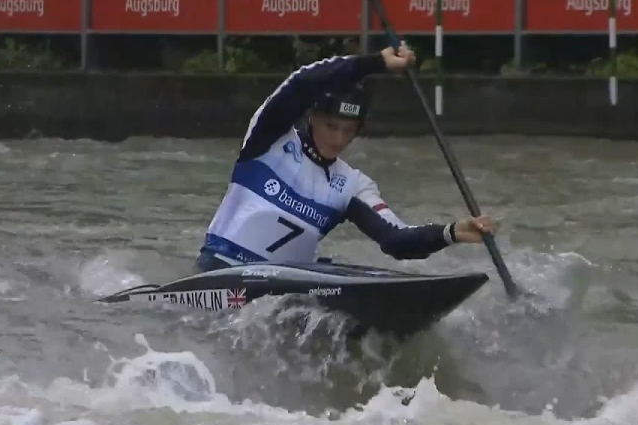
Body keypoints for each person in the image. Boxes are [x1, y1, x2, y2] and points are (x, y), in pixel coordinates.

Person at [195, 43, 498, 273]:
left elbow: (396, 240)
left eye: (349, 130)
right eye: (331, 126)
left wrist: (450, 233)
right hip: (219, 267)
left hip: (280, 293)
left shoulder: (352, 185)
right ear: (311, 116)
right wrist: (374, 63)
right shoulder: (268, 138)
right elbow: (300, 84)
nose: (338, 139)